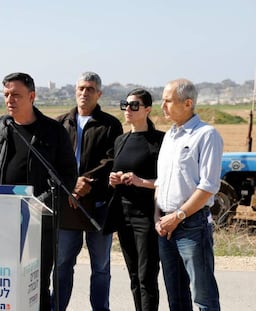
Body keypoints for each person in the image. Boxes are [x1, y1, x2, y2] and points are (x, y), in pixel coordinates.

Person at [0, 72, 78, 310]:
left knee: (36, 284)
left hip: (38, 222)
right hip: (4, 219)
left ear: (32, 96)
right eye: (6, 95)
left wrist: (38, 203)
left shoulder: (53, 132)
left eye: (16, 95)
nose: (9, 100)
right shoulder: (3, 128)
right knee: (7, 282)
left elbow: (68, 175)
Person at [53, 72, 123, 310]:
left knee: (101, 267)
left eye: (90, 89)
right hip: (68, 204)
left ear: (99, 94)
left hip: (98, 205)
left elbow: (112, 160)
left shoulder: (111, 125)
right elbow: (53, 162)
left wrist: (86, 181)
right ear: (75, 91)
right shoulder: (60, 123)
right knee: (62, 264)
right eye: (81, 88)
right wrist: (72, 184)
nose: (84, 93)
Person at [154, 78, 223, 311]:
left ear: (188, 103)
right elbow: (161, 183)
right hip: (165, 225)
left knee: (203, 297)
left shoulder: (206, 135)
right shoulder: (169, 137)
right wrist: (159, 218)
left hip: (191, 225)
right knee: (176, 297)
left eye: (168, 101)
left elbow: (208, 186)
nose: (162, 106)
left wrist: (179, 216)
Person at [105, 88, 164, 311]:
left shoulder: (159, 141)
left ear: (147, 109)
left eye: (134, 105)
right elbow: (115, 173)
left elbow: (166, 181)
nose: (128, 109)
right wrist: (112, 180)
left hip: (147, 216)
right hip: (123, 214)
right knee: (133, 275)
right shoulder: (121, 140)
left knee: (147, 276)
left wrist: (141, 181)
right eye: (125, 105)